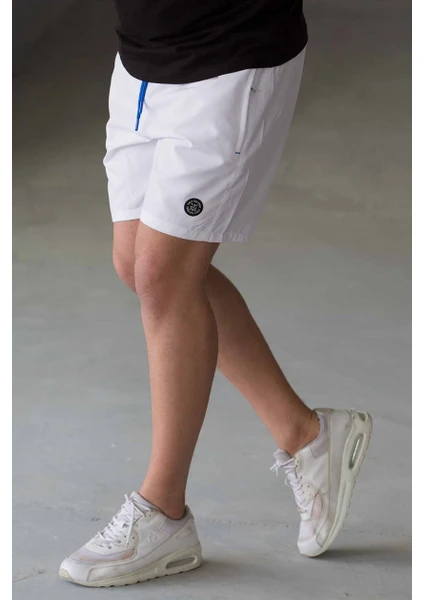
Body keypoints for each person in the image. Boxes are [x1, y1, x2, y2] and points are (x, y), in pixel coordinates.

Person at [59, 0, 373, 587]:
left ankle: (164, 511)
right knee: (137, 265)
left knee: (164, 275)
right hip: (143, 57)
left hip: (228, 55)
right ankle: (306, 435)